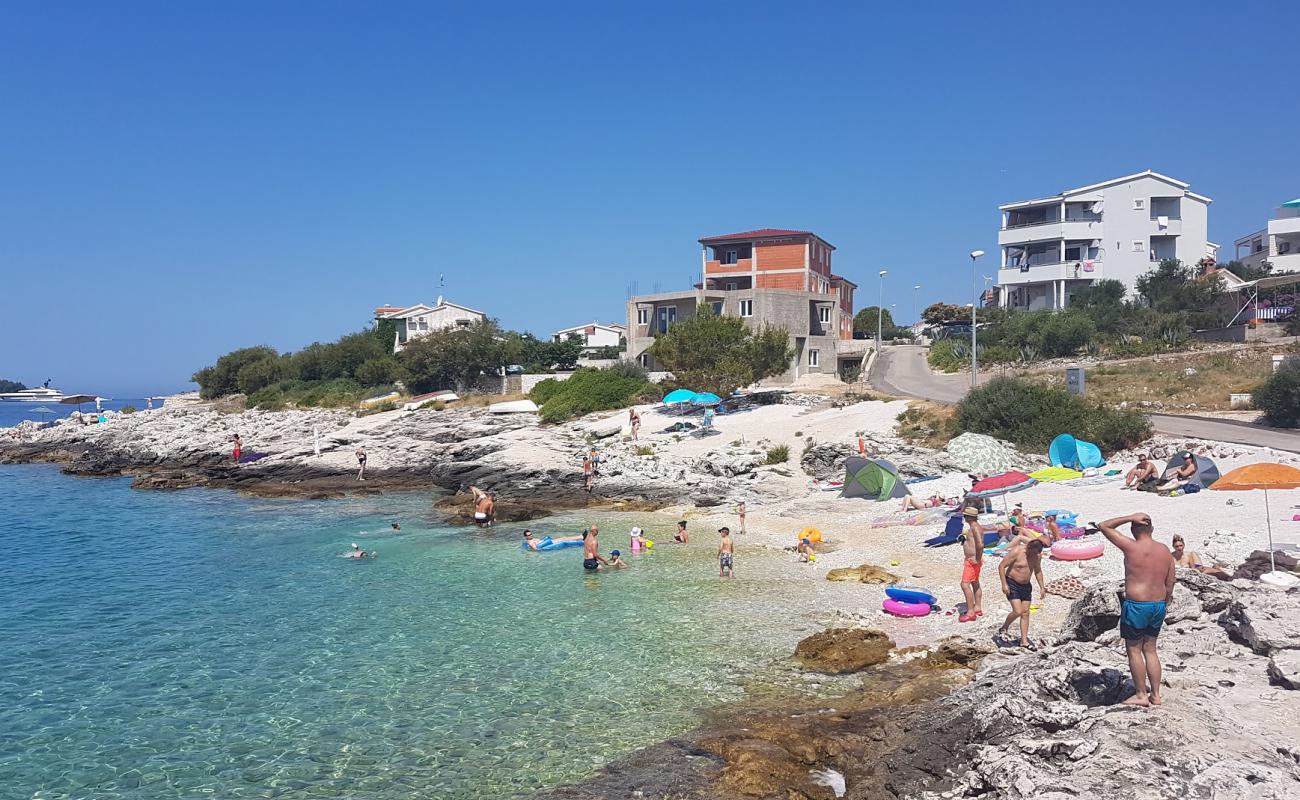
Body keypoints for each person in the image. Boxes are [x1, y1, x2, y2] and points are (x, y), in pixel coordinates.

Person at [1096, 512, 1176, 707]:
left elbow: (1104, 525)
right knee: (1151, 649)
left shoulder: (1131, 546)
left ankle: (1141, 694)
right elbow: (1170, 581)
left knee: (1134, 649)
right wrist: (1164, 603)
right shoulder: (1165, 550)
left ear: (1133, 530)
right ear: (1152, 529)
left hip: (1137, 606)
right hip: (1158, 604)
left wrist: (1131, 516)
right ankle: (1155, 695)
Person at [997, 537, 1046, 648]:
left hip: (1026, 586)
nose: (1033, 556)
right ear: (1028, 548)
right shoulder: (1017, 551)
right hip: (1012, 583)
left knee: (1025, 613)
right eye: (1031, 553)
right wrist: (1004, 584)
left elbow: (1038, 570)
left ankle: (1024, 641)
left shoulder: (1037, 556)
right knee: (1018, 611)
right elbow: (1001, 566)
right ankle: (1004, 627)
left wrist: (1042, 587)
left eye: (1036, 554)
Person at [958, 507, 984, 622]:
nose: (964, 518)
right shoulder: (974, 527)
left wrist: (977, 558)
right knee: (975, 582)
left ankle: (970, 612)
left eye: (965, 516)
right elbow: (974, 542)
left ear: (970, 517)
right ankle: (977, 607)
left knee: (964, 584)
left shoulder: (974, 527)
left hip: (972, 561)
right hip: (972, 559)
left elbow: (980, 544)